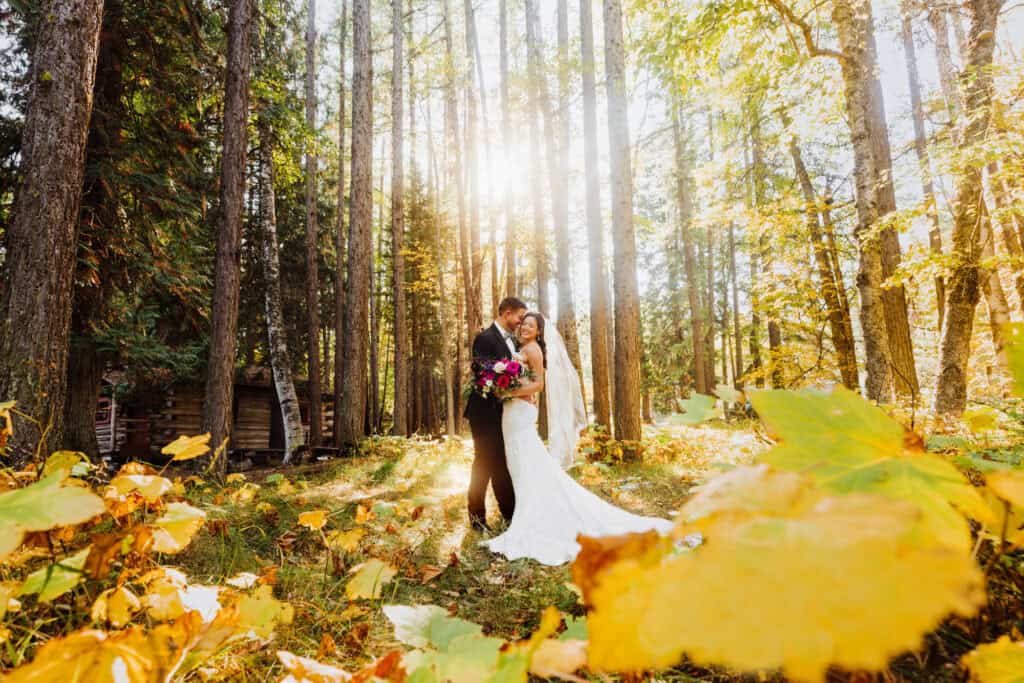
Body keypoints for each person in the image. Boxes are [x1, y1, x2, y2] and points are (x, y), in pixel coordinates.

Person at [481, 311, 673, 566]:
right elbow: (526, 380)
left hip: (519, 411)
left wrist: (508, 392)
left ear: (539, 331)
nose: (525, 327)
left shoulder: (533, 350)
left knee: (526, 463)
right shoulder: (523, 348)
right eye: (524, 324)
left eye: (531, 325)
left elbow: (538, 385)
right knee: (523, 465)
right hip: (514, 412)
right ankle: (531, 511)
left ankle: (533, 519)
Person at [464, 296, 528, 532]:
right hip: (483, 412)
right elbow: (481, 369)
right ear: (507, 313)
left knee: (498, 462)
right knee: (485, 463)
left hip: (503, 411)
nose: (521, 322)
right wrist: (502, 377)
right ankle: (479, 518)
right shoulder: (485, 337)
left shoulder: (512, 341)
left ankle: (509, 514)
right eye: (519, 317)